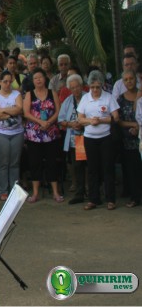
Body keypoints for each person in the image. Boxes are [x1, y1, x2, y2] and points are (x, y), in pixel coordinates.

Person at [78, 70, 120, 210]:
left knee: (108, 167)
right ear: (89, 86)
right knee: (92, 169)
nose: (95, 90)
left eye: (97, 87)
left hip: (106, 137)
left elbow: (116, 117)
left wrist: (101, 120)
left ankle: (110, 199)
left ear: (102, 85)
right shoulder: (85, 99)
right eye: (92, 87)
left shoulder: (108, 98)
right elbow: (80, 119)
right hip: (90, 138)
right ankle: (93, 199)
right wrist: (90, 121)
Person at [23, 68, 63, 203]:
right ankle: (35, 193)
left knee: (52, 162)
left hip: (51, 133)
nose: (38, 80)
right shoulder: (29, 94)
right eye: (35, 78)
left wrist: (49, 122)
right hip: (34, 134)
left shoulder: (52, 93)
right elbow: (26, 113)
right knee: (35, 163)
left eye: (40, 77)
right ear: (33, 81)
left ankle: (55, 193)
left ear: (45, 79)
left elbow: (58, 111)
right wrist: (40, 121)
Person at [0, 71, 24, 201]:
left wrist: (2, 110)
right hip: (0, 132)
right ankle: (3, 190)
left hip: (17, 132)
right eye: (5, 81)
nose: (8, 84)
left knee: (15, 162)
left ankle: (14, 190)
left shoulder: (17, 94)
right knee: (3, 162)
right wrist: (11, 112)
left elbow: (19, 109)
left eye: (10, 81)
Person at [58, 74, 87, 204]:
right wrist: (71, 124)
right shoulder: (68, 101)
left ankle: (92, 191)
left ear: (81, 86)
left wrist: (83, 123)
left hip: (90, 136)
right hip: (77, 139)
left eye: (77, 87)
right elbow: (61, 120)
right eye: (73, 88)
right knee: (78, 166)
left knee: (91, 165)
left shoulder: (88, 97)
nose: (75, 90)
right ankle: (80, 193)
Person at [116, 70, 140, 208]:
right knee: (132, 170)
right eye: (126, 79)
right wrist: (133, 125)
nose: (129, 81)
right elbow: (118, 120)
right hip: (128, 140)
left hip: (140, 137)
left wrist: (139, 128)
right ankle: (135, 197)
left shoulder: (141, 95)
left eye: (131, 78)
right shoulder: (120, 99)